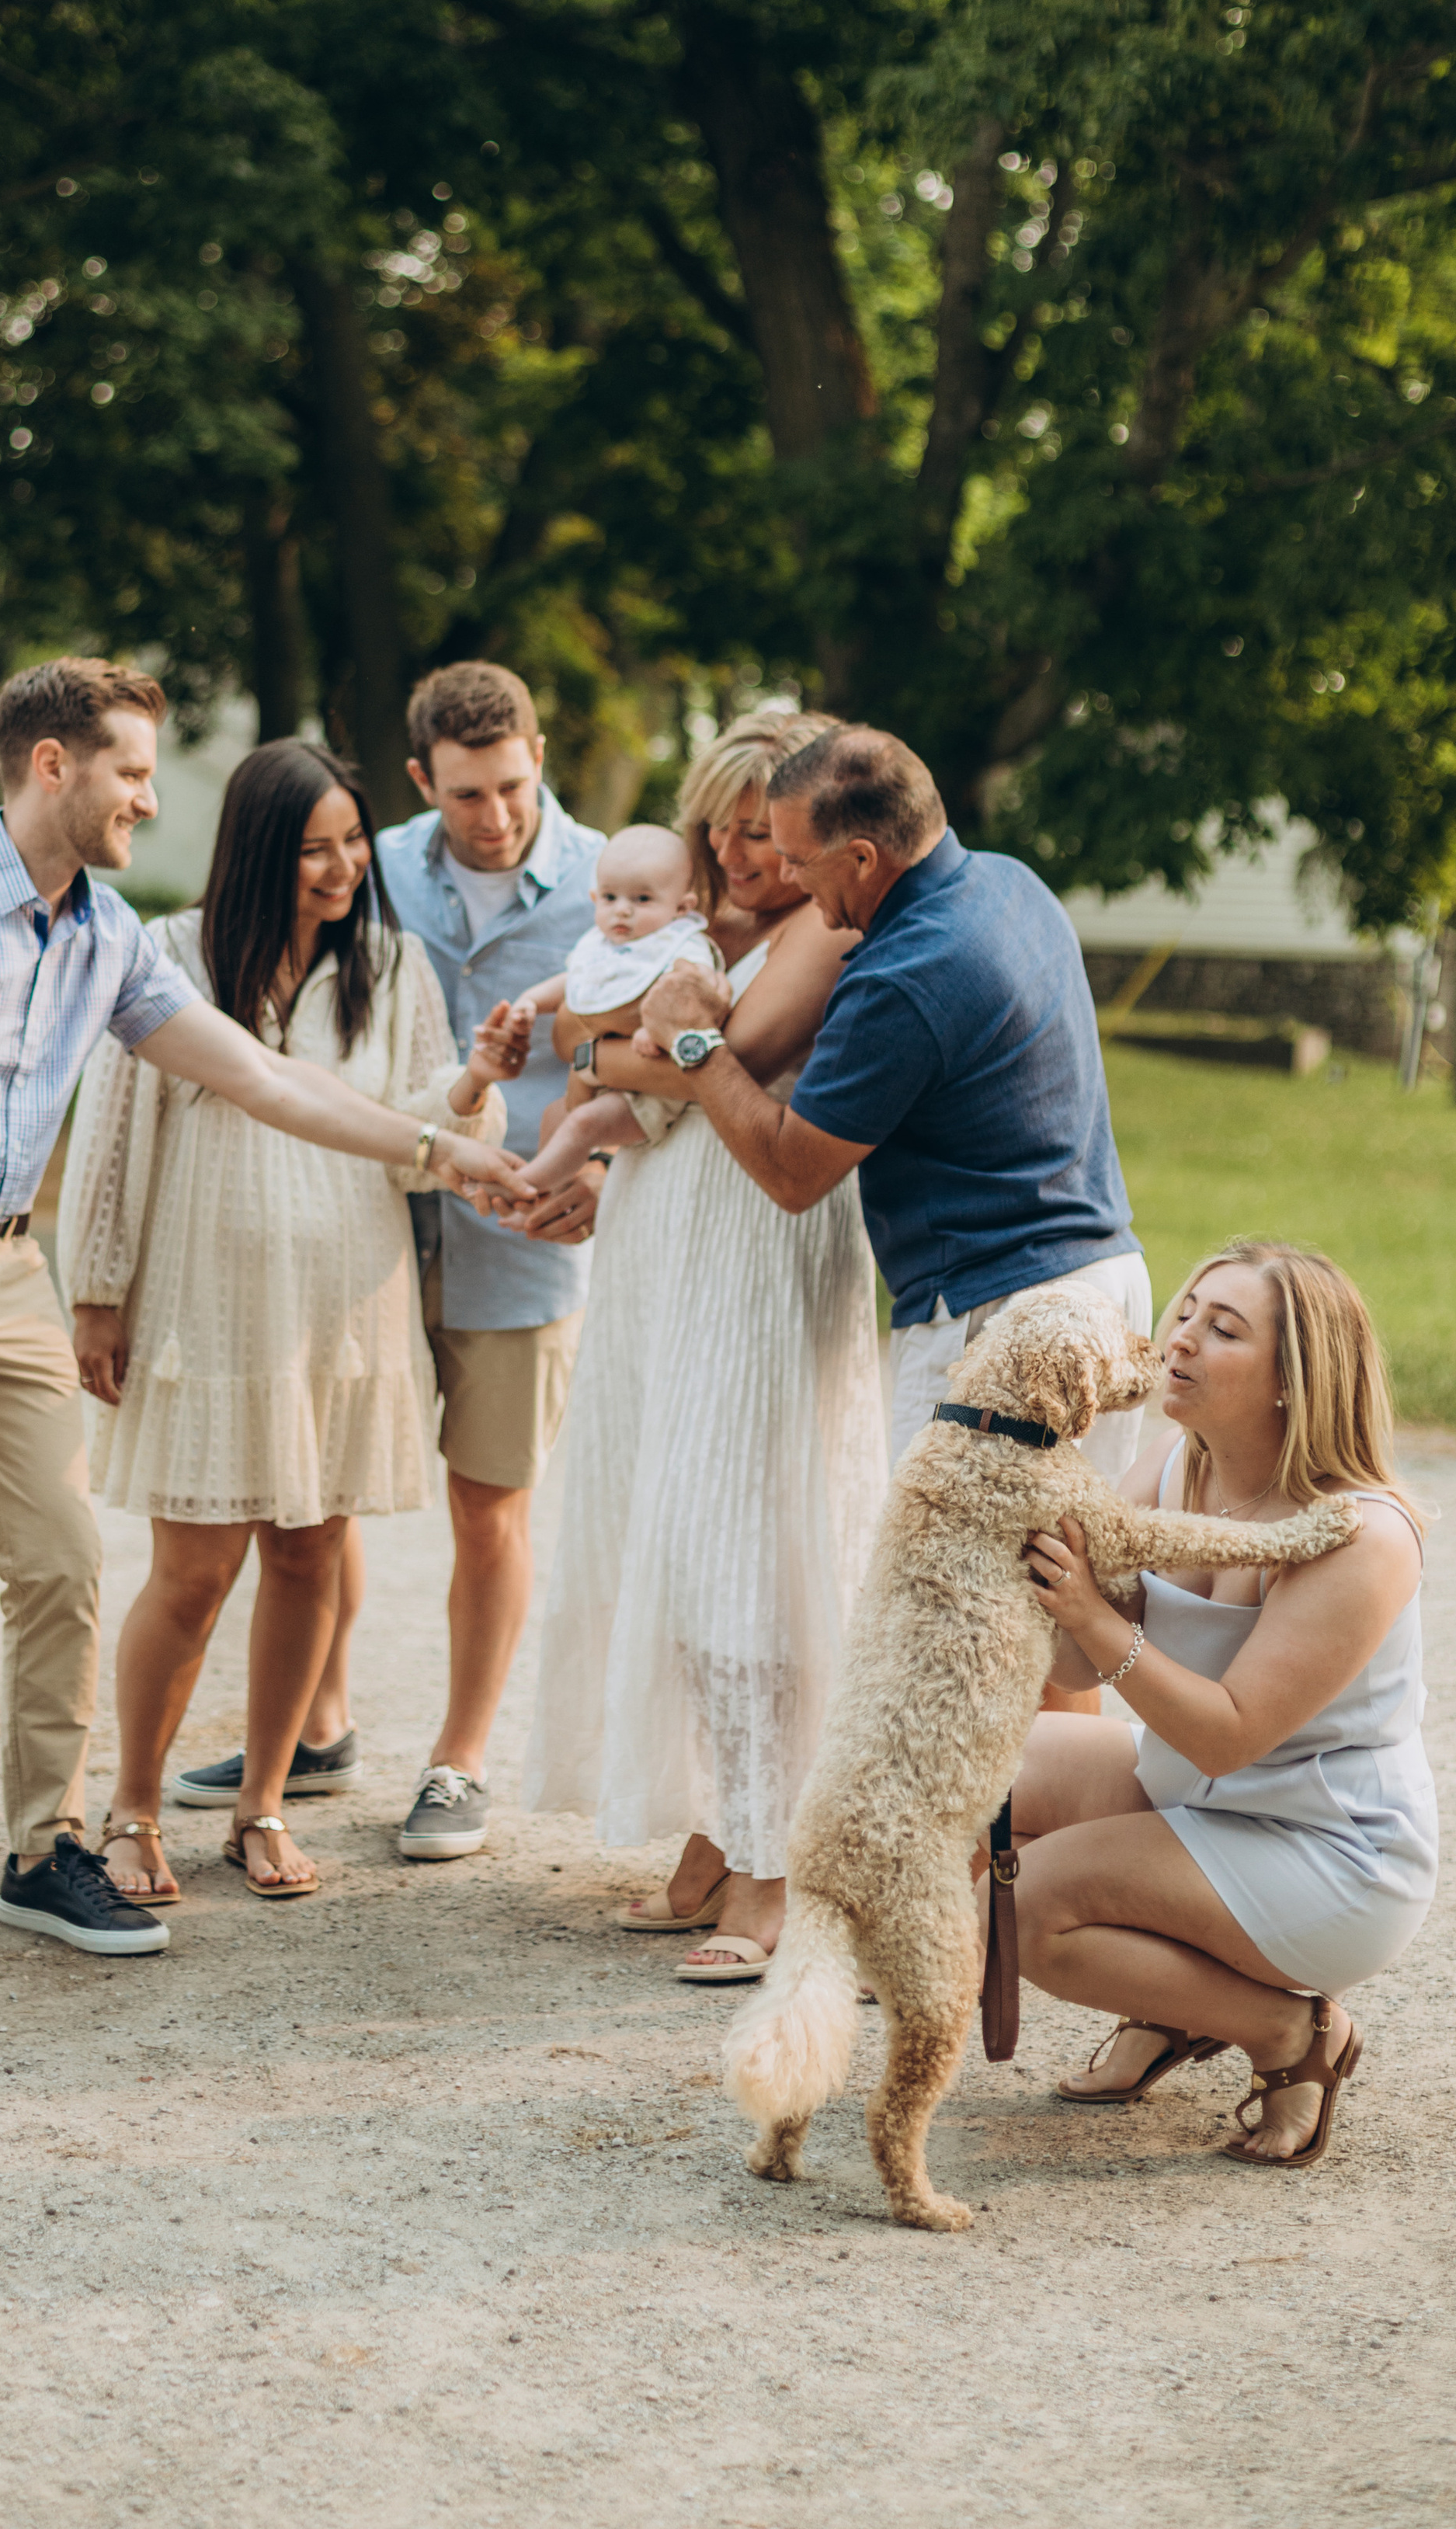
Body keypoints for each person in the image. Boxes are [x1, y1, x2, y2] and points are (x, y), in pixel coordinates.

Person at [0, 660, 526, 1979]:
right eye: (133, 773)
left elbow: (265, 1077)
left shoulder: (103, 938)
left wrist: (449, 1155)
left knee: (62, 1567)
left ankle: (48, 1851)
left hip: (8, 1270)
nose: (152, 802)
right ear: (54, 766)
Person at [59, 740, 516, 1905]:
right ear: (260, 852)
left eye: (355, 844)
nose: (344, 868)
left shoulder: (393, 963)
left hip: (344, 1309)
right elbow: (111, 1141)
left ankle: (262, 1803)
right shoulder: (167, 955)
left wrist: (468, 1089)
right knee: (194, 1570)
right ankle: (135, 1807)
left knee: (310, 1552)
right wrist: (97, 1294)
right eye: (316, 850)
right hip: (206, 1309)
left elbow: (419, 1146)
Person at [523, 708, 888, 1982]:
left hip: (759, 1241)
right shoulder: (685, 929)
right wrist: (613, 1044)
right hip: (658, 1244)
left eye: (765, 830)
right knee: (663, 1531)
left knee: (741, 1540)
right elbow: (589, 1044)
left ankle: (774, 1864)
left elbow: (724, 1056)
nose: (743, 852)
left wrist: (626, 1044)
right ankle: (709, 1826)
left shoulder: (822, 932)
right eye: (724, 826)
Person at [638, 723, 1153, 1512]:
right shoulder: (1010, 884)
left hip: (1001, 1320)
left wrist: (692, 1043)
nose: (783, 875)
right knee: (1068, 1579)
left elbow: (792, 1169)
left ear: (862, 860)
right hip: (1109, 1283)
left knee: (947, 1607)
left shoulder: (901, 977)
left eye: (795, 859)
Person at [1013, 1242, 1434, 2169]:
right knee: (984, 1770)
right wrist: (1049, 1580)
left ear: (1293, 1379)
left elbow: (1230, 1736)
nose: (1180, 1341)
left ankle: (1289, 2035)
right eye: (1187, 1313)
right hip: (1193, 1797)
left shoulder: (1360, 1533)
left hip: (1326, 1853)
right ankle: (1170, 2006)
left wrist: (1093, 1611)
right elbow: (1075, 1673)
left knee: (1025, 1910)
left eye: (1224, 1329)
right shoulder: (1176, 1462)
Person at [364, 662, 609, 1861]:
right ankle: (312, 1726)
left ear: (541, 758)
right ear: (422, 781)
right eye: (466, 796)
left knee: (489, 1509)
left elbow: (654, 1066)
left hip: (524, 1252)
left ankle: (458, 1763)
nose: (495, 817)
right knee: (320, 1489)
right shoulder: (373, 868)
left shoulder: (616, 883)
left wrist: (602, 1178)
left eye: (511, 787)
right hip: (373, 1231)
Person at [508, 822, 726, 1192]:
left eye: (642, 900)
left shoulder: (681, 946)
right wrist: (532, 1000)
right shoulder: (603, 946)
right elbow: (575, 982)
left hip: (651, 1089)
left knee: (582, 1125)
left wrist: (654, 1027)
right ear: (594, 898)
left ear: (682, 907)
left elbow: (698, 994)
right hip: (604, 1078)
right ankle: (548, 1196)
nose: (622, 912)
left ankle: (523, 1187)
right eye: (610, 898)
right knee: (554, 1116)